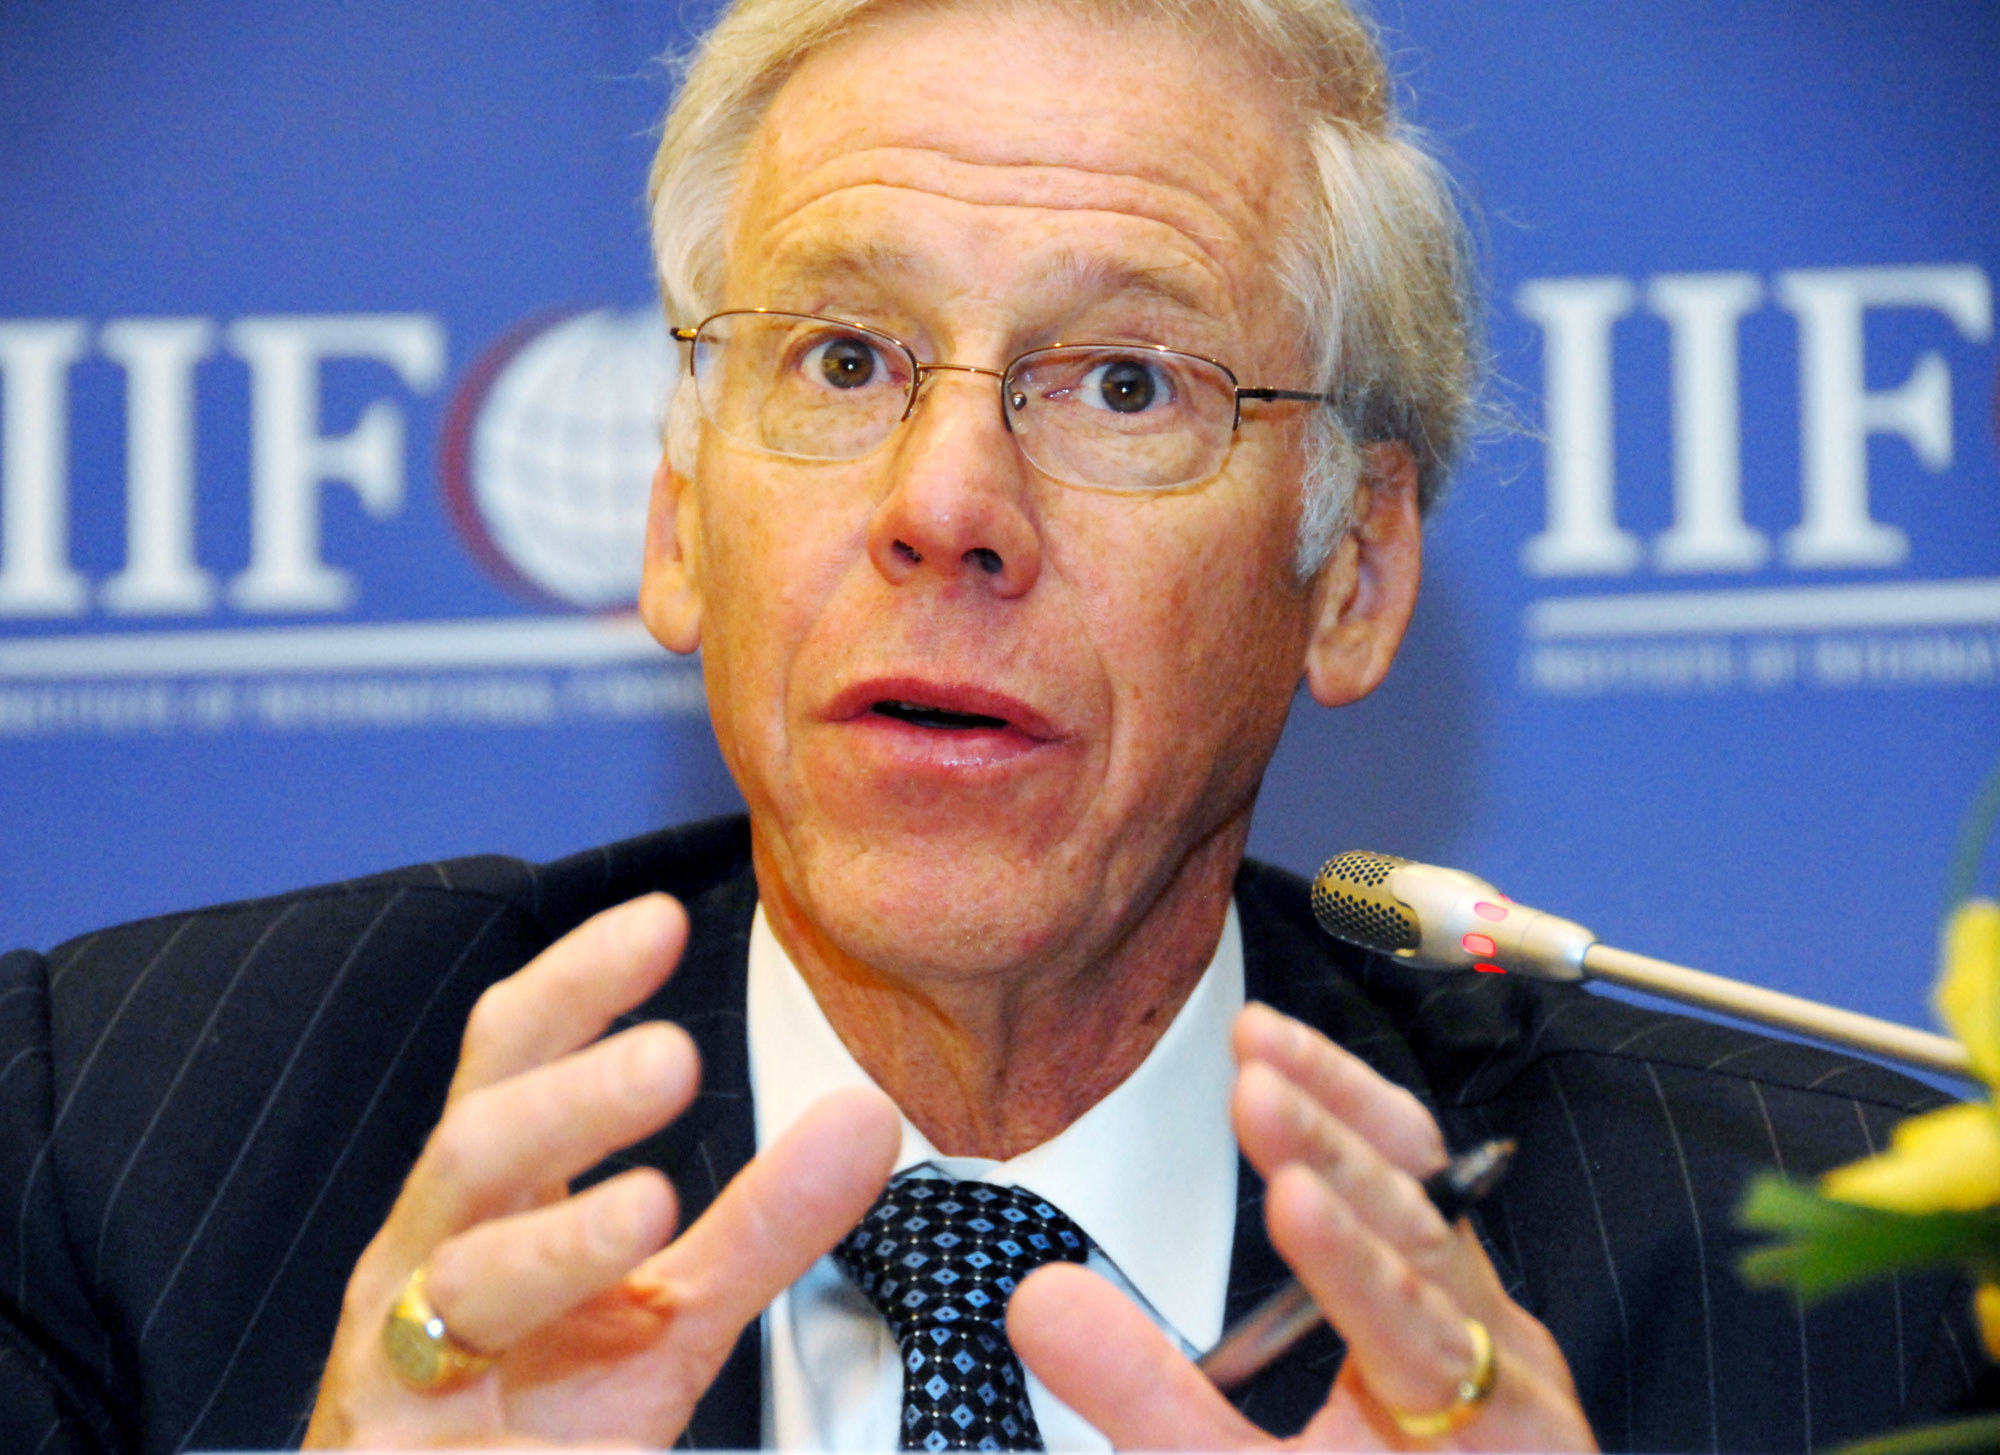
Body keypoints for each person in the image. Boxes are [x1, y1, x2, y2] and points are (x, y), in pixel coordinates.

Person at [0, 1, 1988, 1451]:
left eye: (1125, 383)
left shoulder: (1825, 1286)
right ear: (679, 515)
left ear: (1354, 572)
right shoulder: (121, 1144)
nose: (943, 500)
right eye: (841, 357)